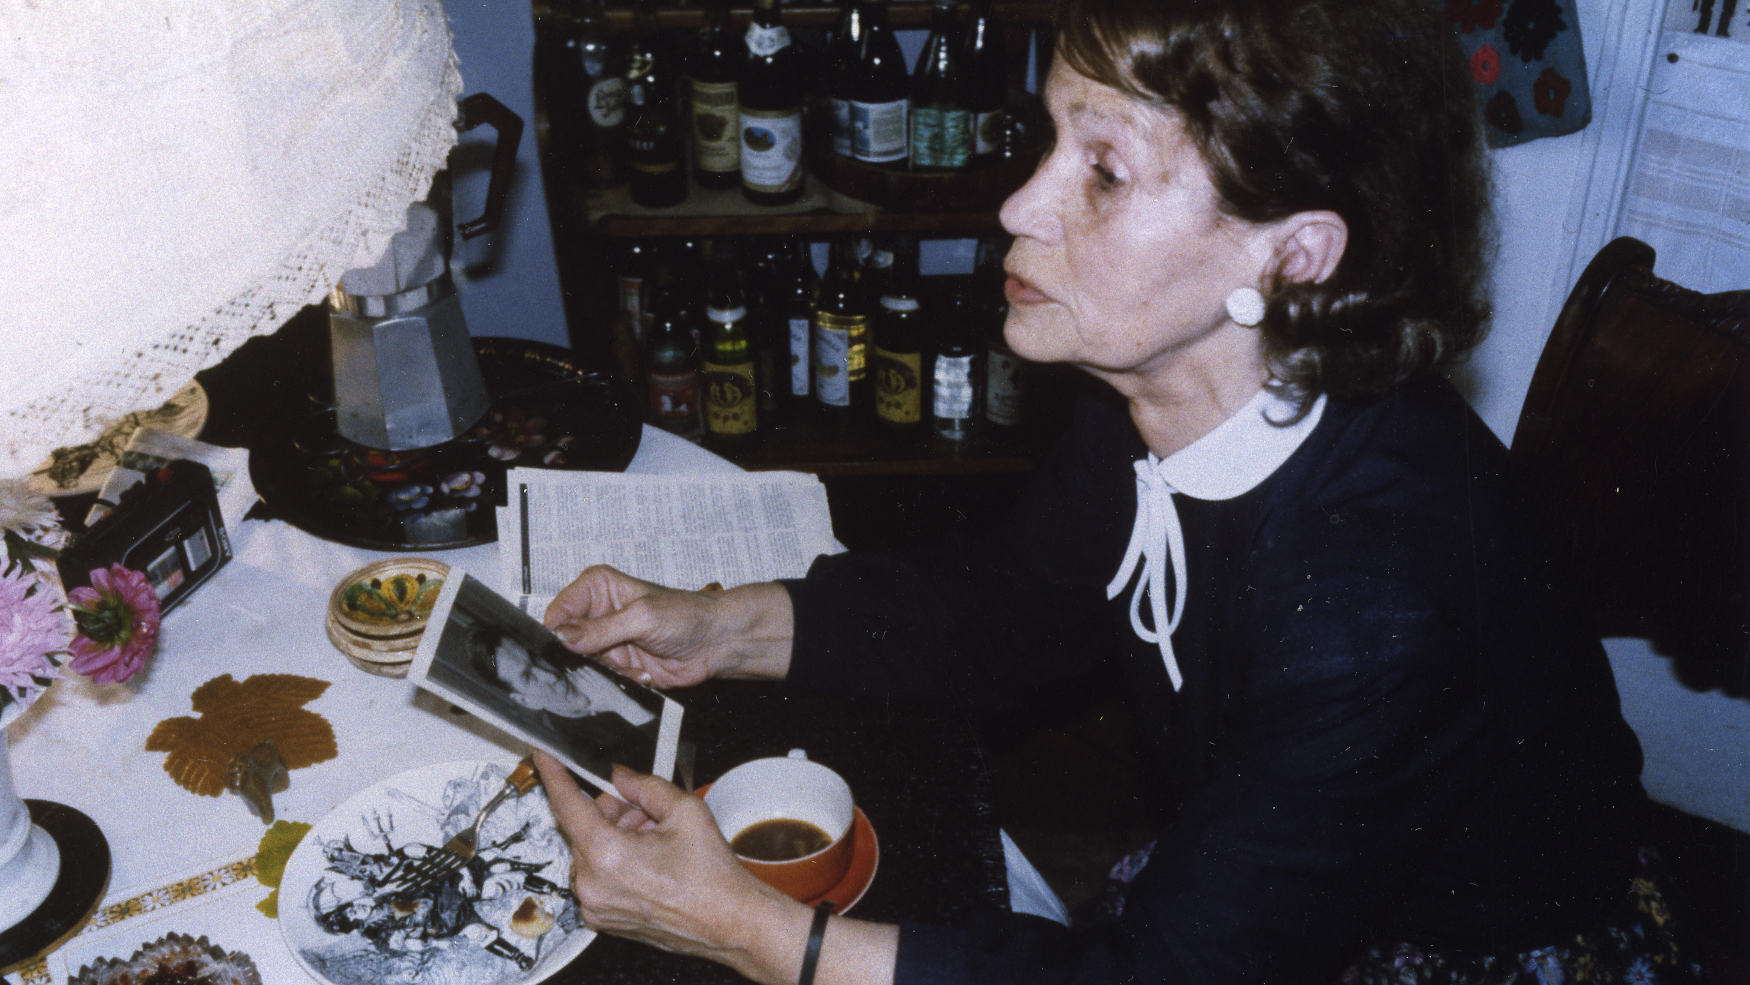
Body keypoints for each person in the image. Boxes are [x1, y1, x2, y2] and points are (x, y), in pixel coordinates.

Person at [529, 1, 1706, 984]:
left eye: (1101, 170)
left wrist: (745, 927)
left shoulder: (1375, 600)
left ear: (1293, 255)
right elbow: (1011, 612)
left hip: (1452, 948)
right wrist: (717, 626)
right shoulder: (1157, 382)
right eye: (1050, 140)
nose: (1018, 207)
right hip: (1261, 874)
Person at [466, 625, 658, 777]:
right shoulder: (588, 755)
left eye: (534, 658)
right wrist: (622, 704)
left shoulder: (568, 652)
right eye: (528, 677)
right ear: (525, 701)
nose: (550, 676)